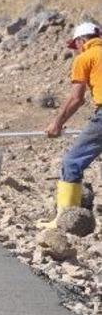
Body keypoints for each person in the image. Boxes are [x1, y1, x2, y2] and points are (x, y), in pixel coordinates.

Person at [41, 21, 102, 229]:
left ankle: (65, 221)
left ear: (81, 41)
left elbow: (77, 99)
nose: (75, 50)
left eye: (75, 45)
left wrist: (57, 123)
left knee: (71, 162)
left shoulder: (86, 57)